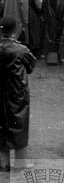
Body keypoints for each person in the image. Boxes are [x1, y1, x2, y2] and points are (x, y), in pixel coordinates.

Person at [0, 16, 35, 173]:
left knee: (1, 126)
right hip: (17, 92)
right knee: (20, 125)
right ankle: (20, 162)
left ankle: (3, 163)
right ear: (15, 30)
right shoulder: (21, 50)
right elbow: (30, 66)